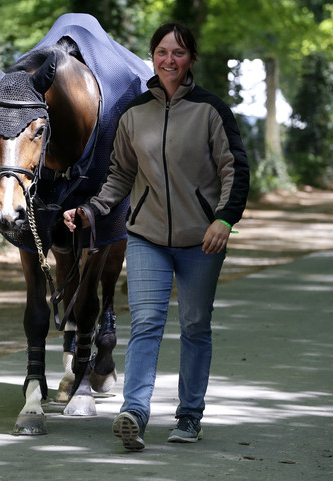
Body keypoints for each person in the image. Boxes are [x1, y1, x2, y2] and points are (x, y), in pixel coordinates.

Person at [63, 22, 249, 451]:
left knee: (195, 325)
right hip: (146, 236)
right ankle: (135, 413)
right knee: (146, 323)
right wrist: (91, 210)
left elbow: (234, 169)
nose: (169, 60)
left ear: (191, 60)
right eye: (162, 52)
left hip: (202, 240)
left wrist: (224, 220)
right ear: (152, 56)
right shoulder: (135, 113)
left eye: (179, 53)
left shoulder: (211, 110)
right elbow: (120, 176)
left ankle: (189, 416)